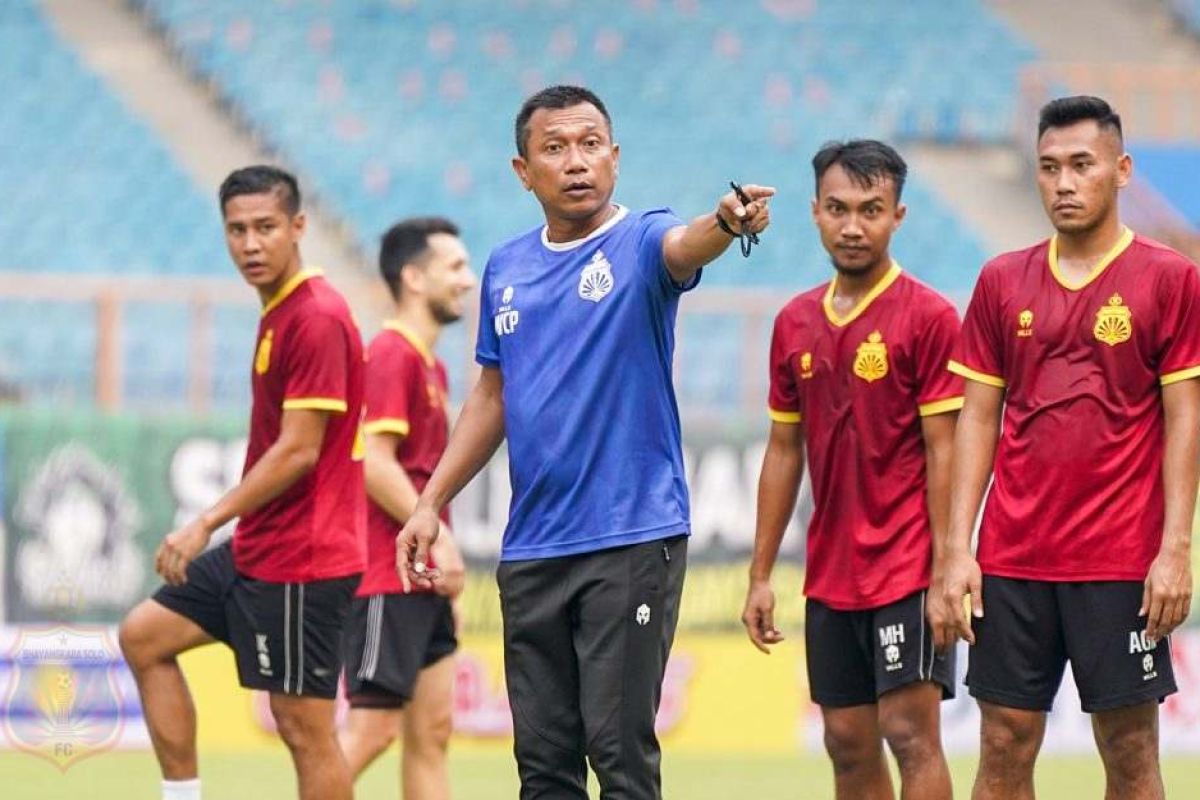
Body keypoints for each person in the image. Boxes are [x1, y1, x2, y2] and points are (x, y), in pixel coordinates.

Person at [396, 84, 772, 799]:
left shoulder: (640, 241)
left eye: (591, 144)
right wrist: (429, 502)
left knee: (619, 755)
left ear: (616, 158)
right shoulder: (505, 269)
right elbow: (493, 394)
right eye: (556, 148)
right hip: (533, 548)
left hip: (631, 537)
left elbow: (686, 245)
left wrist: (725, 223)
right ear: (523, 170)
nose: (577, 162)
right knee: (543, 767)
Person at [941, 96, 1200, 800]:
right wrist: (958, 549)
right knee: (1000, 744)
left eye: (1081, 165)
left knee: (1129, 751)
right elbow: (977, 419)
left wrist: (1175, 548)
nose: (1063, 182)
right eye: (1049, 167)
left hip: (1119, 562)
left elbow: (1186, 419)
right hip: (1014, 559)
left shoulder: (1170, 279)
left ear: (1120, 170)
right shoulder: (1001, 280)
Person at [118, 166, 366, 800]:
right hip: (262, 548)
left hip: (304, 559)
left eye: (266, 228)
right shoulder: (280, 313)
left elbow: (299, 452)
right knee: (144, 636)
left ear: (298, 228)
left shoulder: (315, 317)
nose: (251, 244)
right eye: (237, 230)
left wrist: (205, 520)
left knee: (305, 730)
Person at [741, 140, 961, 799]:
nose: (853, 226)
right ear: (813, 212)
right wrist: (759, 574)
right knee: (844, 742)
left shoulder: (928, 317)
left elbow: (945, 448)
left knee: (909, 732)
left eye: (871, 209)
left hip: (907, 566)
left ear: (899, 215)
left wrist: (950, 565)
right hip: (831, 572)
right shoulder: (794, 323)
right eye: (838, 209)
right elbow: (783, 452)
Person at [339, 217, 474, 799]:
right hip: (384, 579)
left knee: (433, 733)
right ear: (414, 278)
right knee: (371, 732)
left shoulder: (433, 365)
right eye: (456, 268)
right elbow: (373, 463)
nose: (468, 281)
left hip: (421, 584)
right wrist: (440, 541)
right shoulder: (391, 354)